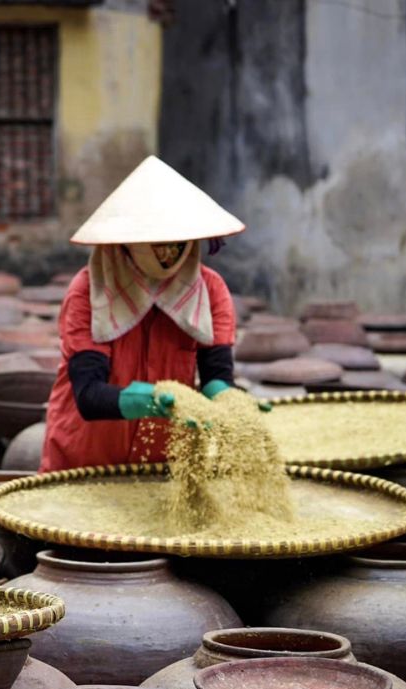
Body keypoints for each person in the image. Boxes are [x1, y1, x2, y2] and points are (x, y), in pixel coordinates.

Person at [41, 155, 259, 473]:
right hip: (85, 457)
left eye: (176, 240)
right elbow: (88, 394)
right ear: (127, 242)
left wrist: (230, 401)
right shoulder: (89, 290)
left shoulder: (210, 291)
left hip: (160, 461)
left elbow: (215, 377)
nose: (168, 250)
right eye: (157, 241)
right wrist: (152, 398)